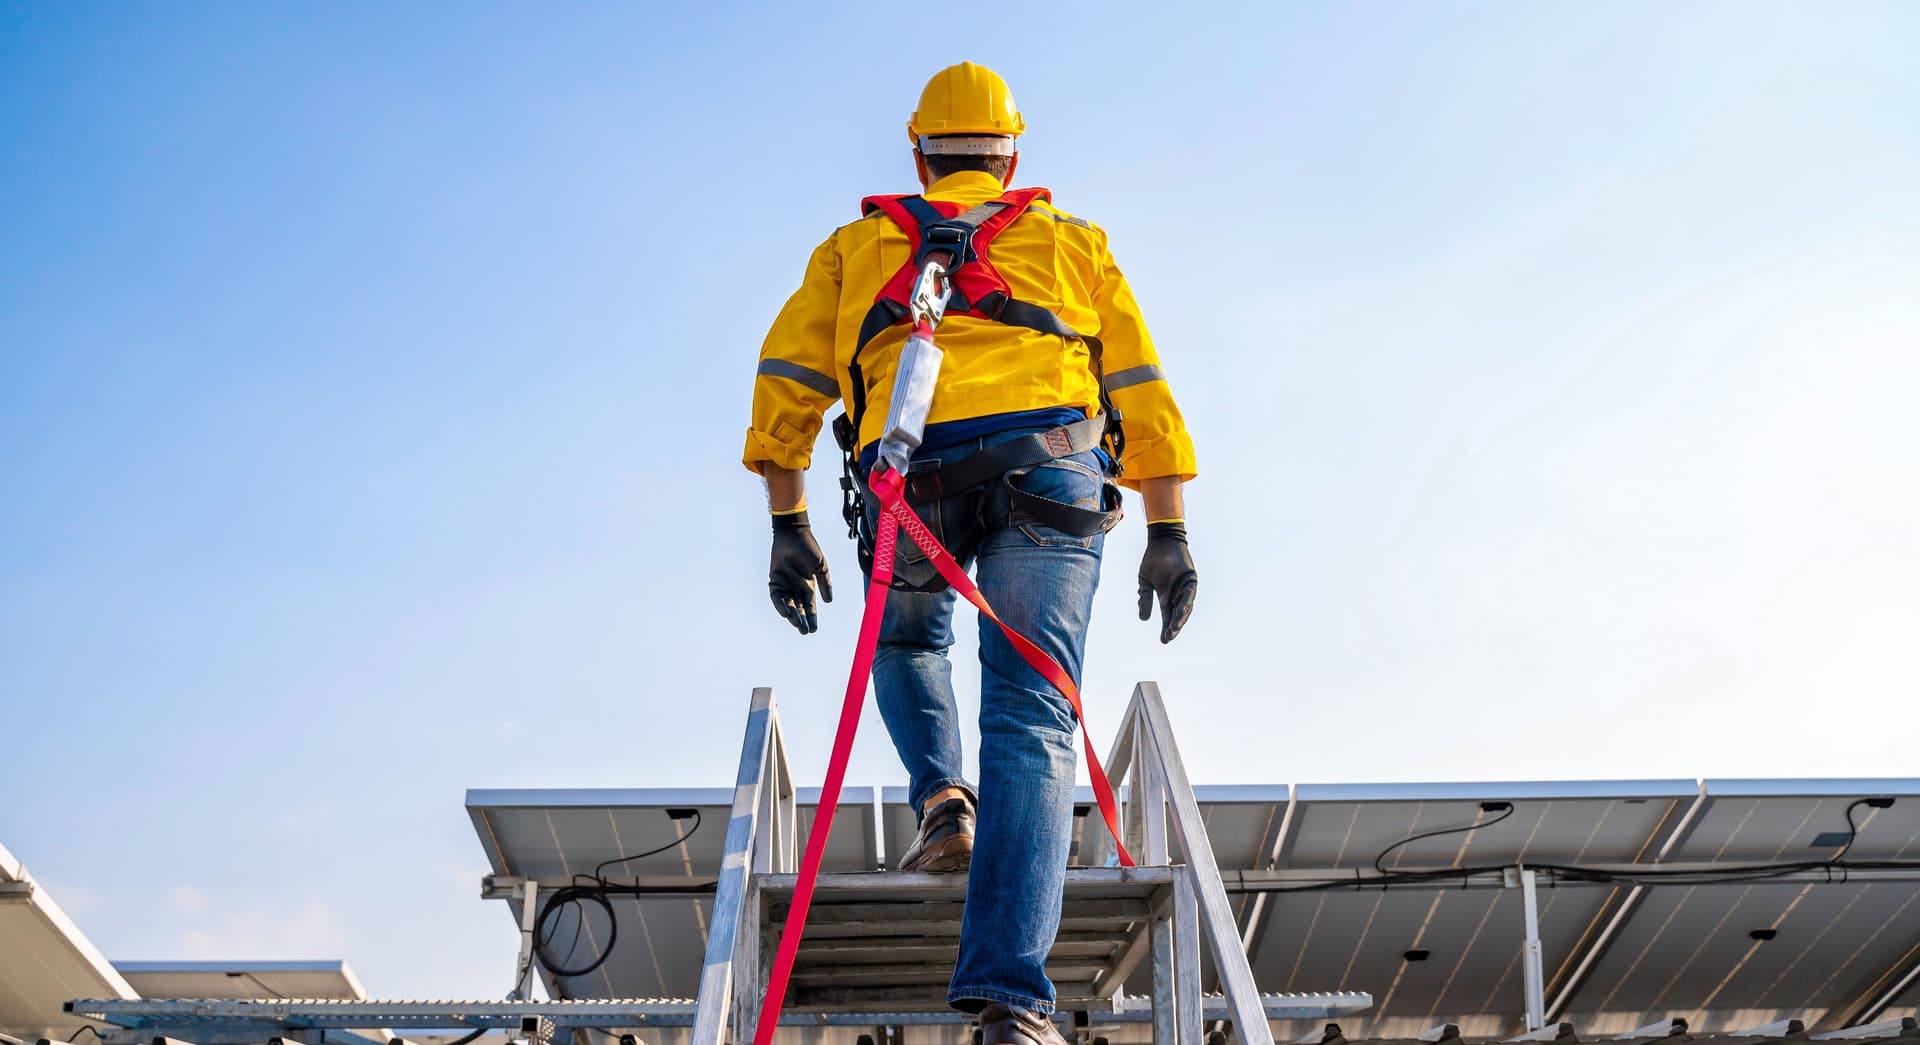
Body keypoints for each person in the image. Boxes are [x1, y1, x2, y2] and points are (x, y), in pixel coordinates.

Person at [741, 62, 1198, 1045]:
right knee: (1031, 717)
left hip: (913, 480)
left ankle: (943, 798)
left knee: (908, 643)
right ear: (1012, 155)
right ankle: (1011, 1006)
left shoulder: (857, 248)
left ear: (917, 153)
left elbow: (787, 381)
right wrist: (1168, 529)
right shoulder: (1074, 244)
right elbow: (1139, 383)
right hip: (1054, 472)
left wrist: (789, 520)